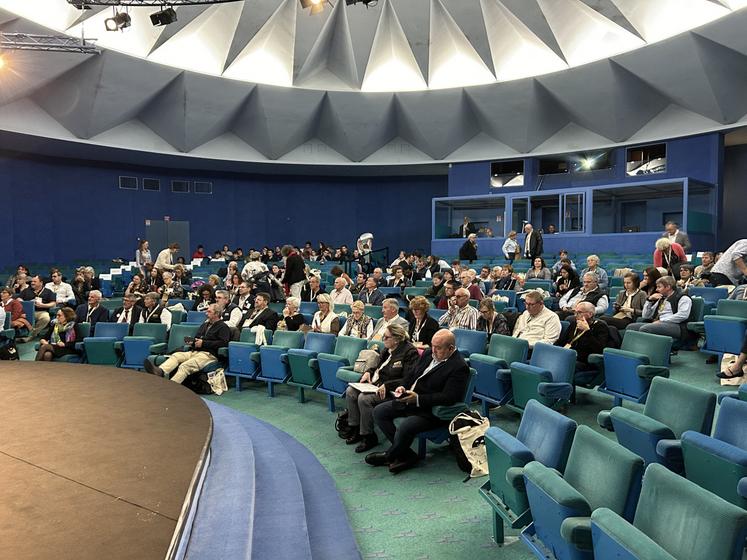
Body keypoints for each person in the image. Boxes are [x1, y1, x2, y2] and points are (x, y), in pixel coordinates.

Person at [367, 330, 470, 474]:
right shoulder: (428, 353)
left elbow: (449, 397)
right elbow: (412, 375)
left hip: (431, 411)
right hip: (409, 399)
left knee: (405, 426)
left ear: (451, 349)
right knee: (379, 412)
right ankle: (406, 454)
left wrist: (418, 399)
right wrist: (403, 386)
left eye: (438, 348)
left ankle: (390, 455)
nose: (433, 350)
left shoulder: (459, 367)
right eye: (432, 345)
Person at [343, 324, 420, 453]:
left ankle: (368, 436)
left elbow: (409, 378)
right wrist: (369, 371)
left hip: (393, 391)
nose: (383, 339)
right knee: (351, 391)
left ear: (396, 339)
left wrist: (388, 385)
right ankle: (354, 427)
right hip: (377, 385)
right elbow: (379, 367)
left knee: (364, 399)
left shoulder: (409, 352)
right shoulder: (387, 349)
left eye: (386, 337)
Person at [144, 303, 230, 384]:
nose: (206, 313)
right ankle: (160, 371)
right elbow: (198, 337)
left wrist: (203, 343)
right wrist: (193, 341)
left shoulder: (223, 327)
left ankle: (170, 388)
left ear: (216, 314)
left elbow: (223, 343)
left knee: (185, 366)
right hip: (194, 351)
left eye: (209, 311)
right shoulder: (204, 325)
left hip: (209, 355)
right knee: (176, 356)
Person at [626, 276, 693, 339]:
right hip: (659, 323)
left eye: (659, 287)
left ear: (668, 287)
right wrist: (649, 300)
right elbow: (646, 316)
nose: (657, 289)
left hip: (677, 326)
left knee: (645, 328)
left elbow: (683, 315)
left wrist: (662, 320)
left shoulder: (683, 298)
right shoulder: (662, 298)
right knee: (631, 327)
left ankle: (648, 350)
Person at [555, 302, 609, 374]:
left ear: (590, 314)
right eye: (575, 312)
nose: (575, 315)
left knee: (562, 365)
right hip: (567, 355)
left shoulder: (600, 326)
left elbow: (599, 349)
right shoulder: (574, 323)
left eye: (579, 312)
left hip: (583, 361)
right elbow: (562, 341)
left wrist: (587, 331)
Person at [20, 275, 56, 339]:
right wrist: (28, 303)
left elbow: (53, 303)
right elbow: (18, 299)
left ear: (41, 282)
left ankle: (31, 335)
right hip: (27, 312)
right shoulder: (26, 290)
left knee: (46, 318)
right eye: (32, 281)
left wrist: (43, 305)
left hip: (41, 312)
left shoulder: (48, 291)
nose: (32, 283)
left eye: (35, 281)